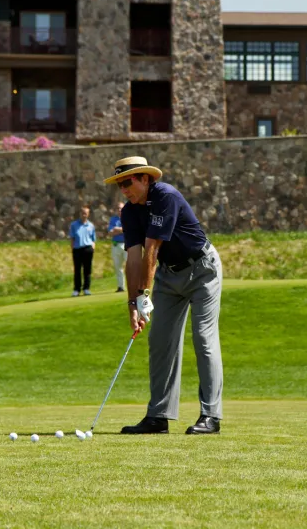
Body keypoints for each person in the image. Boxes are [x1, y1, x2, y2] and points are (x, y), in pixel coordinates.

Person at [104, 156, 223, 435]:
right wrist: (133, 303)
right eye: (119, 184)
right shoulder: (129, 212)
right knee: (160, 342)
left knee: (203, 338)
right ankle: (158, 417)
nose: (124, 189)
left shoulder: (165, 196)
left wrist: (145, 293)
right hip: (169, 277)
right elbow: (133, 259)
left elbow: (152, 250)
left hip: (202, 269)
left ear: (145, 179)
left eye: (127, 182)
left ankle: (211, 416)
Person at [69, 205, 96, 297]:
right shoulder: (74, 225)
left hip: (88, 248)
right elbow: (72, 238)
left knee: (87, 270)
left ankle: (86, 289)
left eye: (86, 213)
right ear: (80, 214)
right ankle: (76, 289)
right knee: (77, 270)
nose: (84, 215)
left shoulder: (91, 225)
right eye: (82, 213)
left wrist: (93, 248)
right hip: (77, 249)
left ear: (88, 214)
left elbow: (93, 239)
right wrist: (72, 249)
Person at [108, 202, 127, 293]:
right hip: (116, 245)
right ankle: (121, 286)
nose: (119, 210)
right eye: (118, 208)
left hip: (127, 245)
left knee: (131, 266)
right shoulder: (113, 219)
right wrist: (122, 230)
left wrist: (117, 229)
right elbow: (110, 232)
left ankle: (134, 285)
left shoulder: (128, 217)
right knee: (118, 267)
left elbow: (128, 229)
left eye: (121, 208)